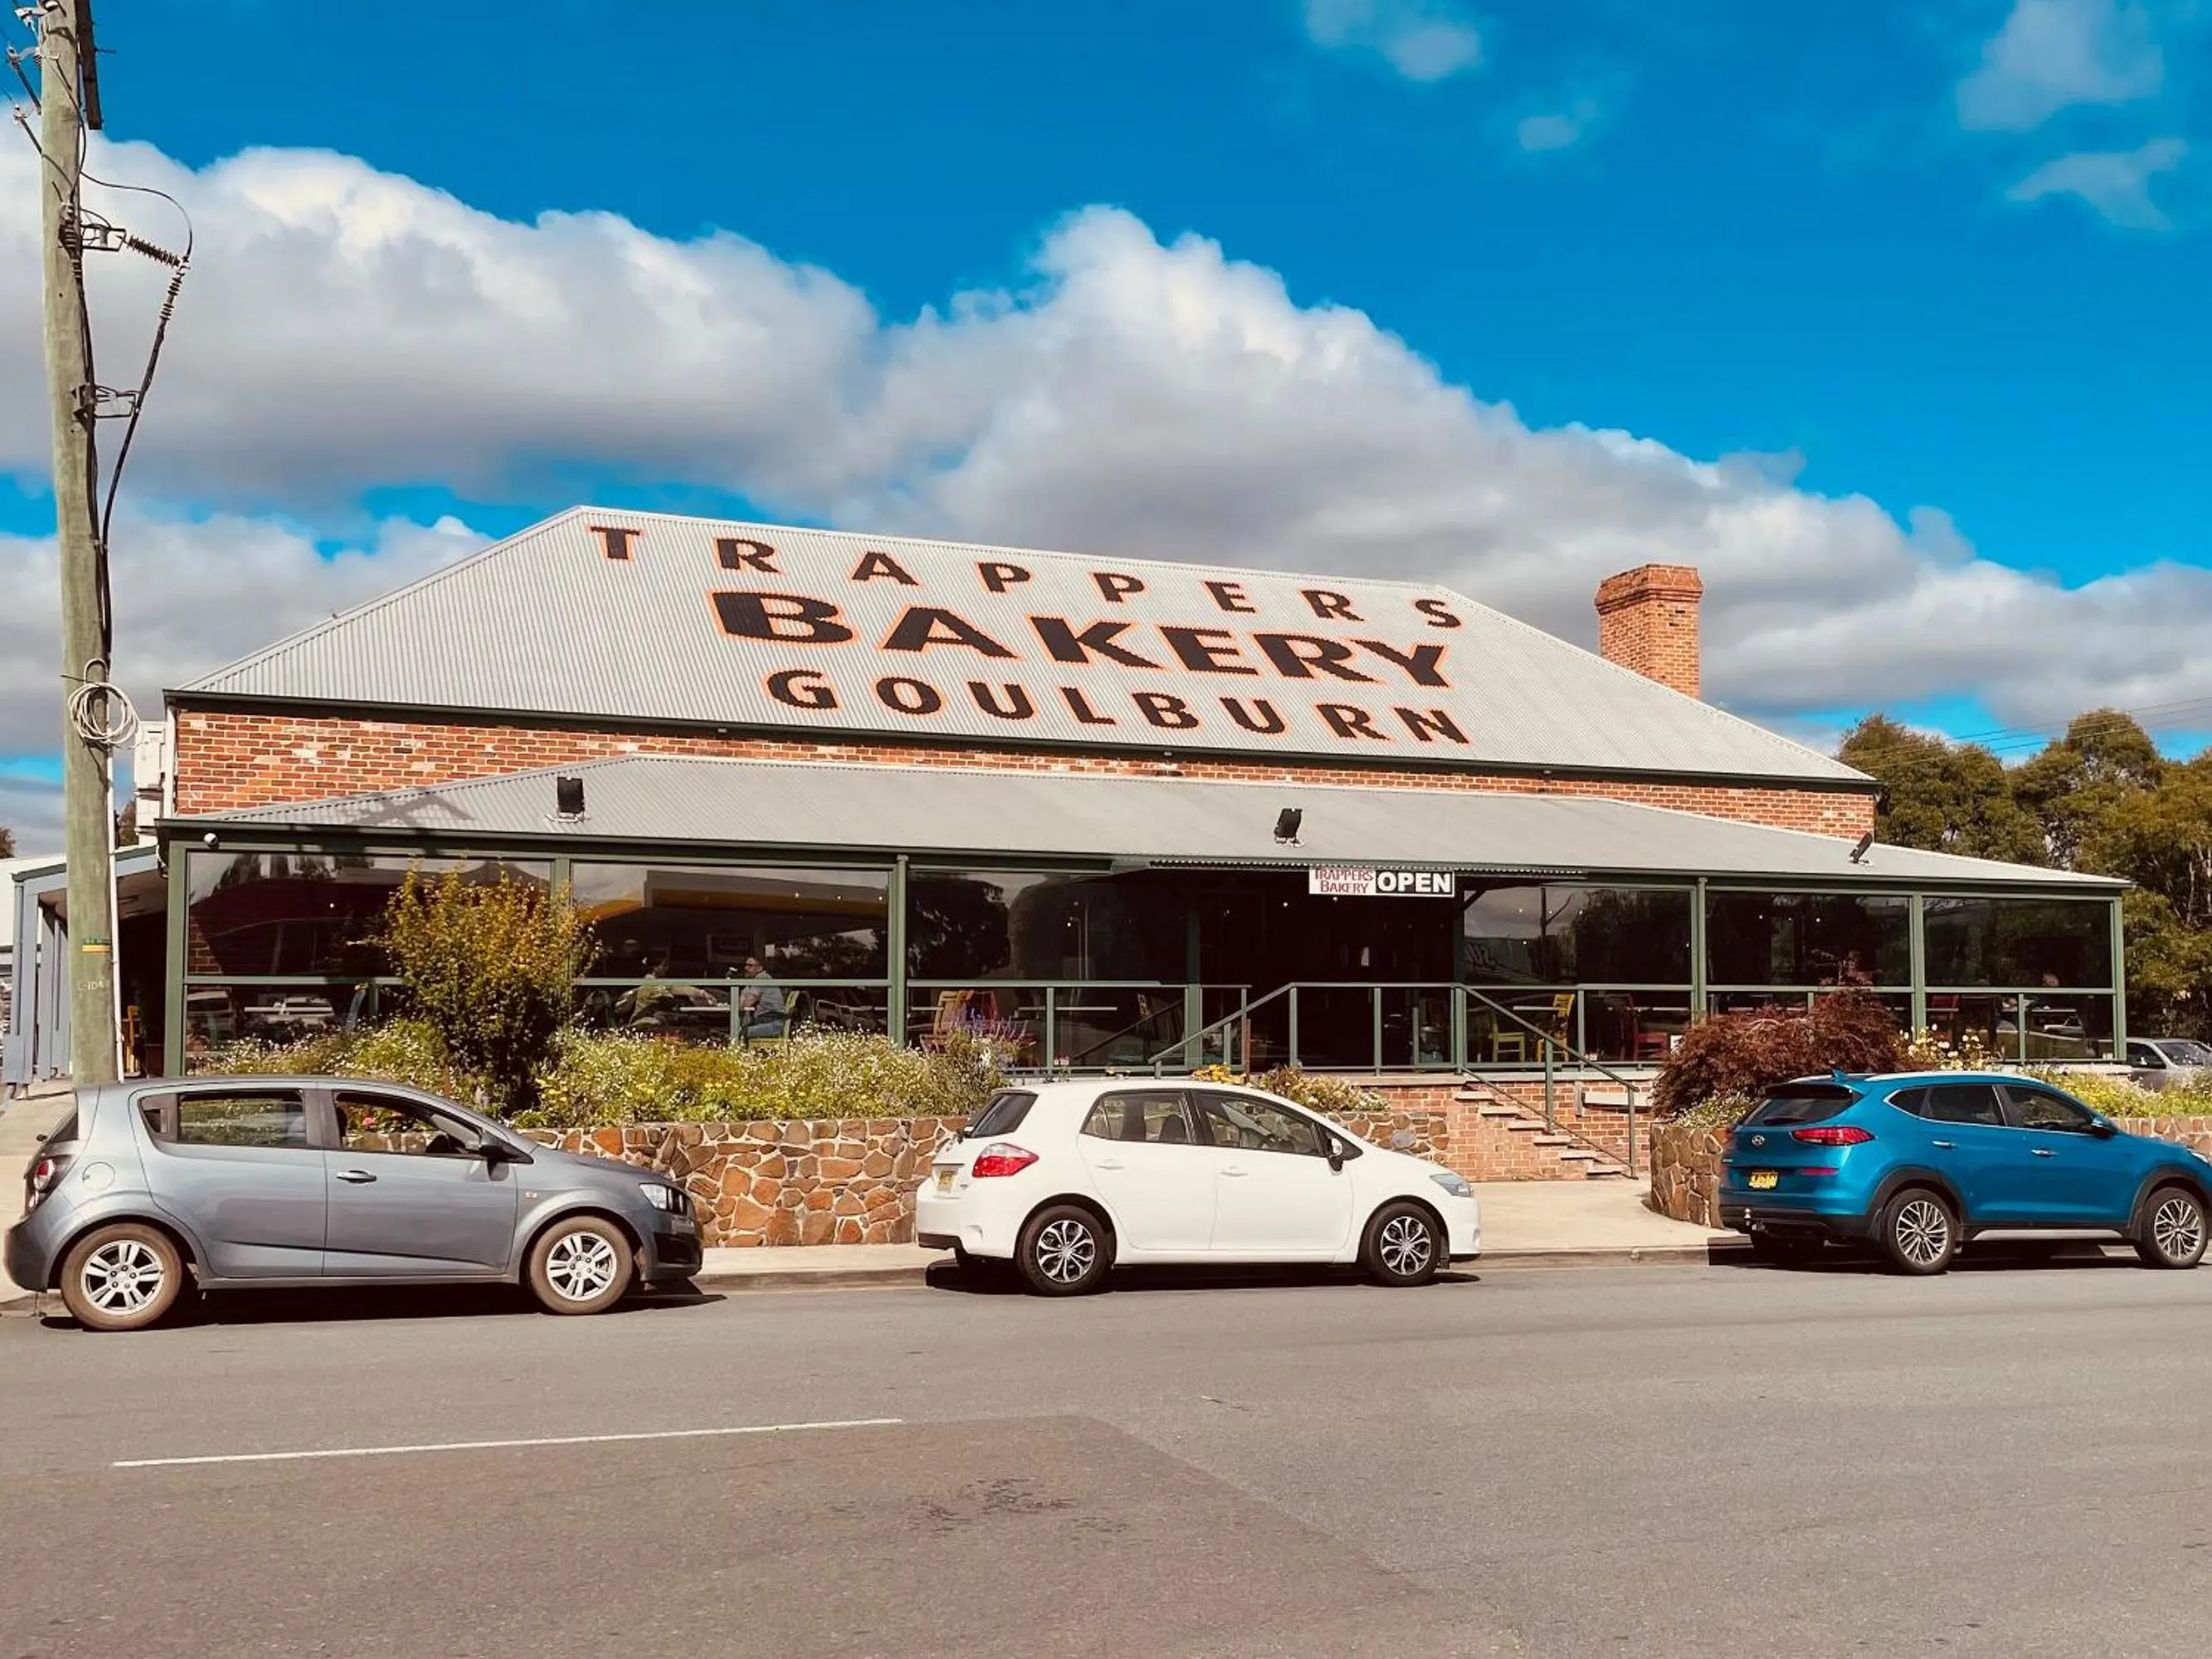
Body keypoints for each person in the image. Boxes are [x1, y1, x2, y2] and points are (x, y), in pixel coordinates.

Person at [738, 954, 787, 1043]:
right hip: (767, 1021)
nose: (746, 968)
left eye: (750, 966)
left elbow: (745, 1005)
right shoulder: (755, 980)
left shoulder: (761, 979)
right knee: (741, 1029)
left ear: (760, 968)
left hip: (773, 1024)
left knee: (740, 1033)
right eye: (745, 965)